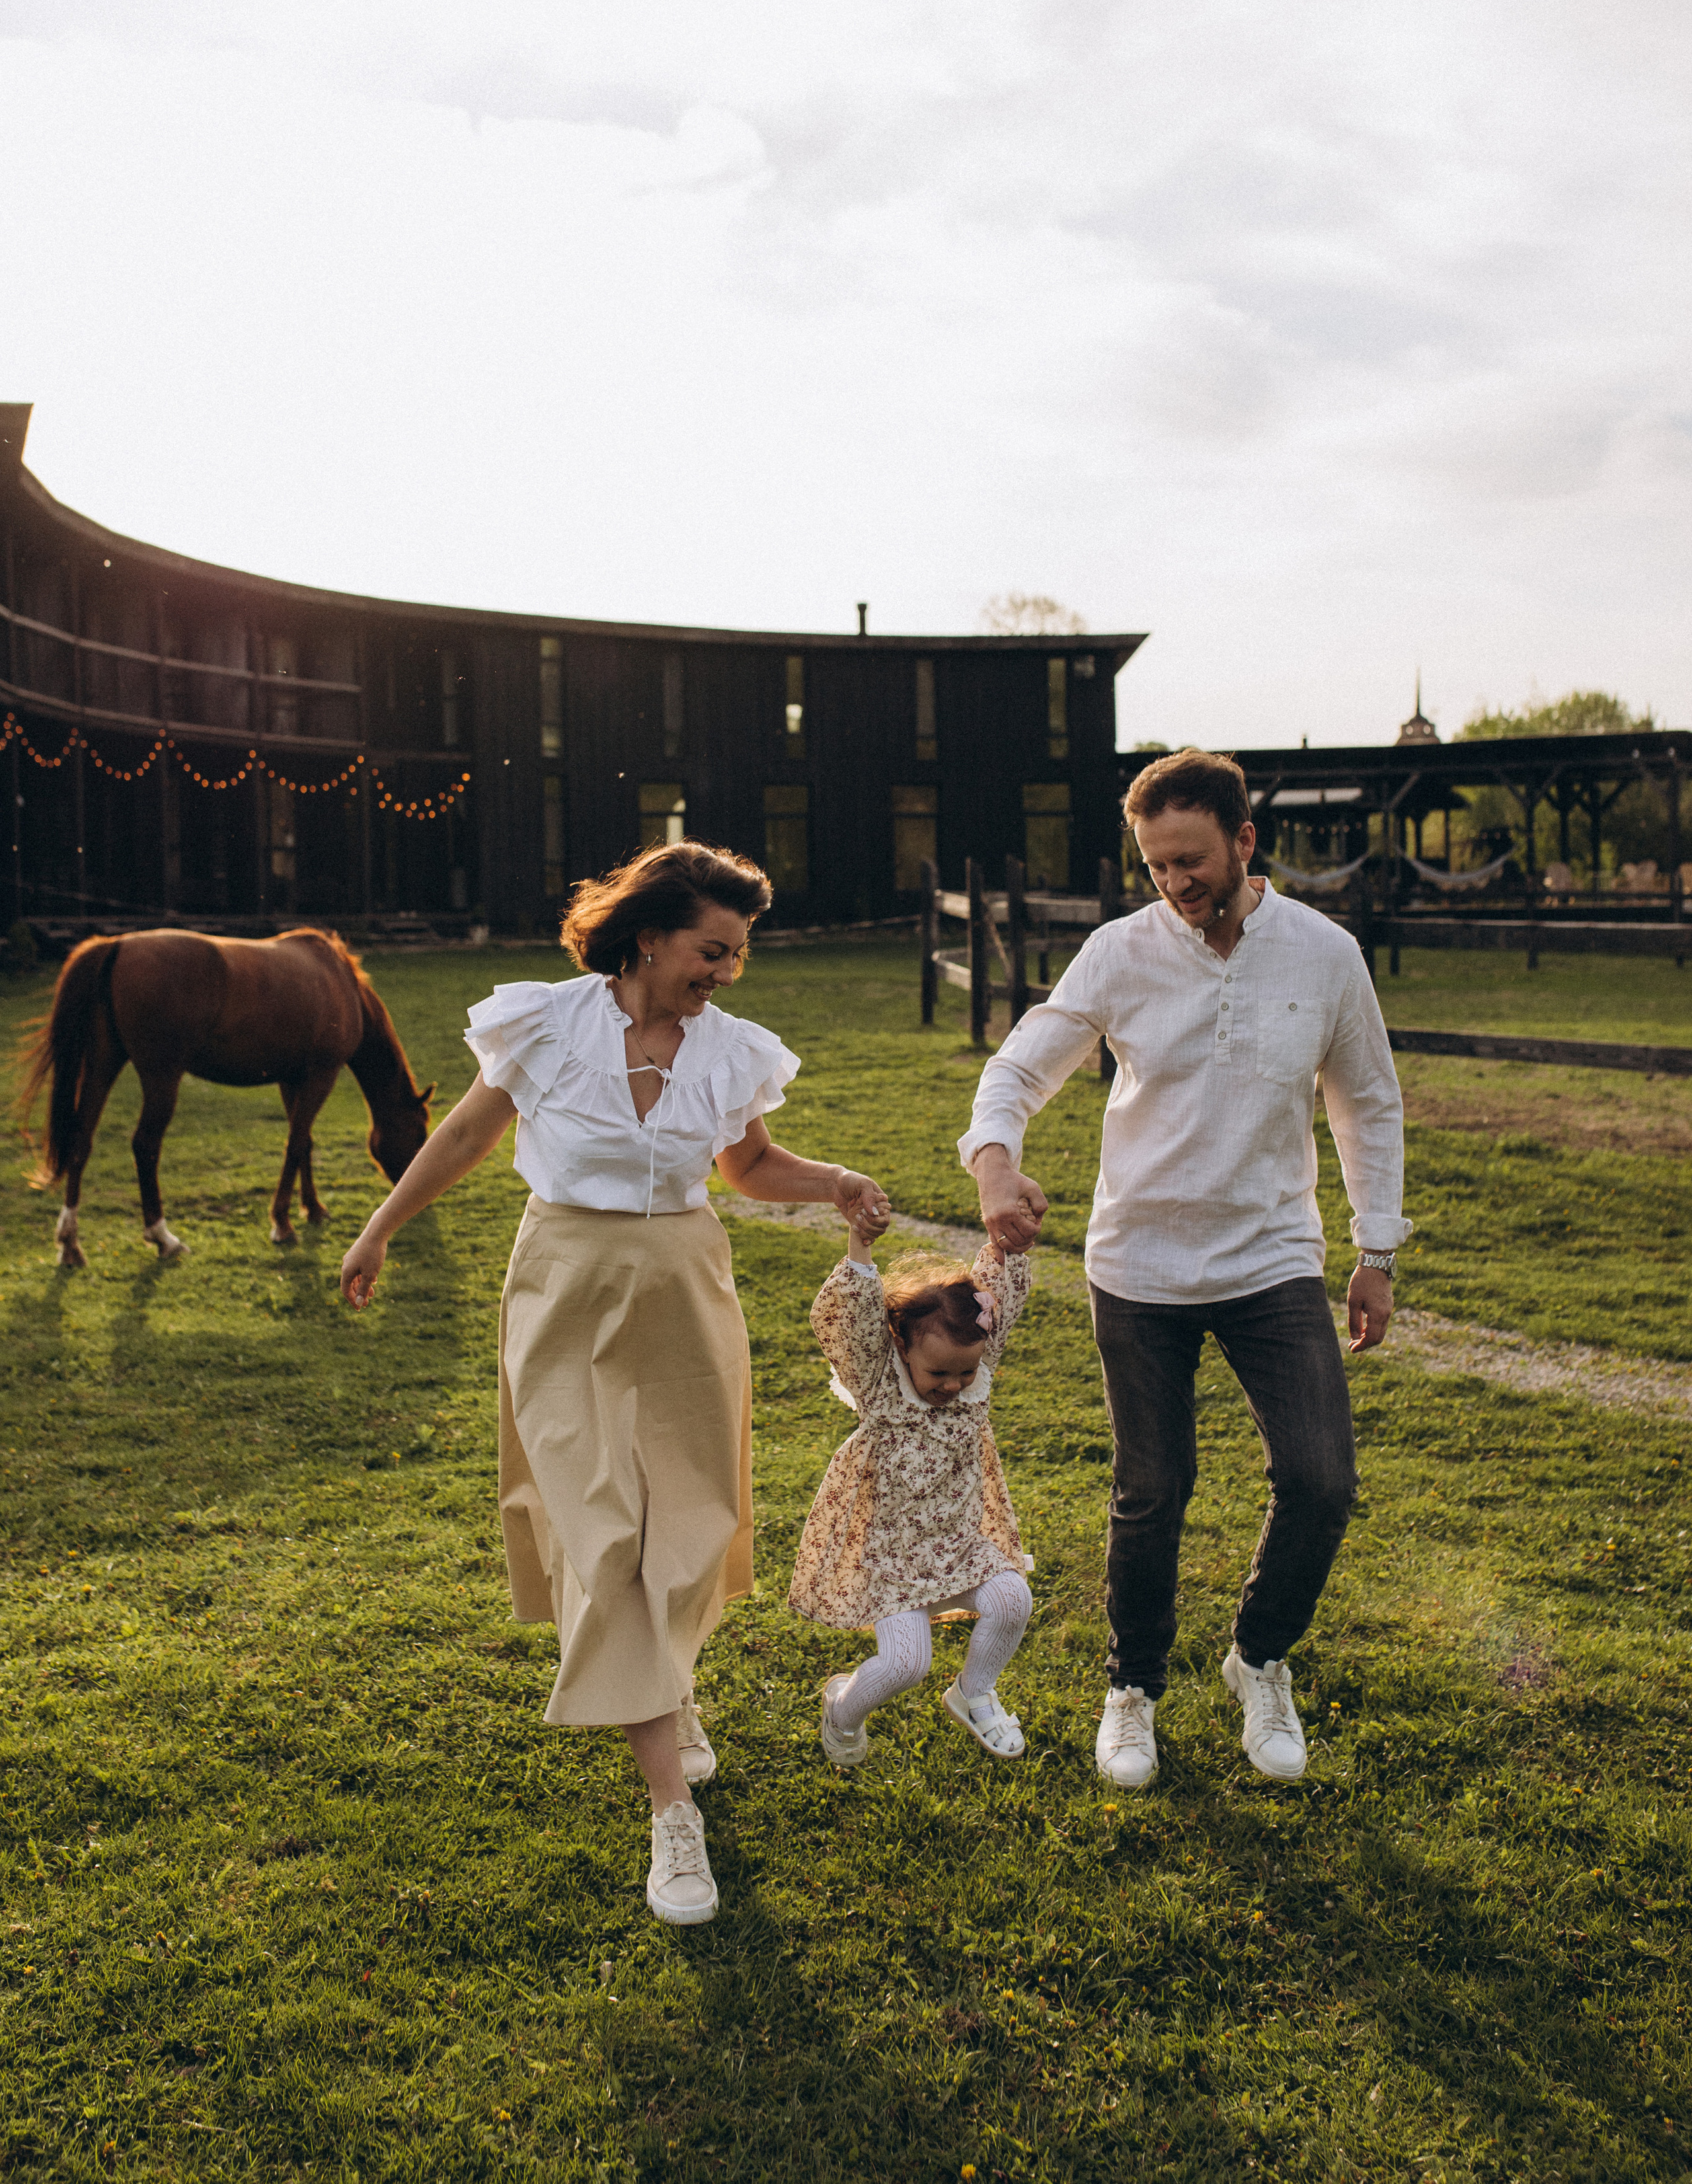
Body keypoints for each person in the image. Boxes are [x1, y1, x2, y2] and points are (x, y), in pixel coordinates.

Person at [339, 840, 890, 1926]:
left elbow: (746, 1166)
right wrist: (379, 1228)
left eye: (738, 955)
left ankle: (667, 1690)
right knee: (605, 1534)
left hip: (686, 1291)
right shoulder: (545, 1023)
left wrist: (836, 1183)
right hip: (563, 1288)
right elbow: (465, 1133)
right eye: (710, 950)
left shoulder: (731, 1052)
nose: (726, 972)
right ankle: (671, 1813)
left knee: (688, 1522)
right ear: (648, 935)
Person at [960, 749, 1410, 1791]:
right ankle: (1134, 1690)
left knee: (1321, 1479)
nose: (1175, 883)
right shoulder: (1119, 953)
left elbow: (1367, 1102)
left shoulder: (1326, 953)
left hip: (1273, 1260)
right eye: (1157, 865)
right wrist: (994, 1162)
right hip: (1140, 1265)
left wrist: (1374, 1251)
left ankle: (1258, 1660)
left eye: (1192, 860)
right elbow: (1023, 1063)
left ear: (1247, 842)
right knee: (1151, 1488)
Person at [788, 1222, 1035, 1765]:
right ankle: (843, 1713)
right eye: (939, 1373)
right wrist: (860, 1246)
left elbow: (1002, 1297)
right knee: (906, 1665)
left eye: (965, 1372)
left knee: (1014, 1599)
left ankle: (973, 1693)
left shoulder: (978, 1374)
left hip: (960, 1547)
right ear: (899, 1346)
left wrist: (1007, 1244)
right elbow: (851, 1323)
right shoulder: (880, 1384)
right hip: (893, 1560)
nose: (953, 1385)